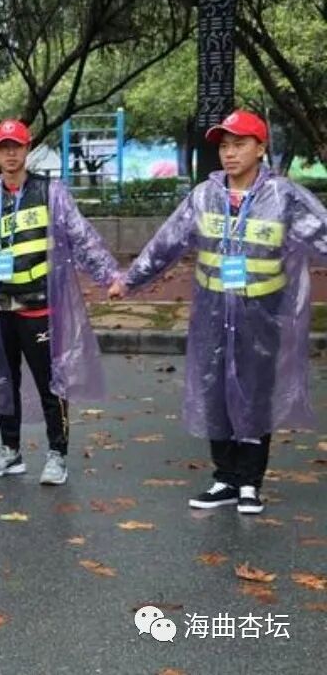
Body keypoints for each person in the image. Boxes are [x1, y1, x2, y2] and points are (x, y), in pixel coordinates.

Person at [111, 110, 327, 514]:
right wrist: (130, 280)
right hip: (211, 317)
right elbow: (167, 242)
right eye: (224, 146)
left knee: (254, 396)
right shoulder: (204, 196)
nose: (229, 153)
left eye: (239, 144)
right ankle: (225, 478)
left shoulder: (284, 197)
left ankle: (249, 482)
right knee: (215, 394)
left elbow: (322, 233)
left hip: (261, 318)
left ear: (260, 148)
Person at [0, 119, 120, 486]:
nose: (11, 154)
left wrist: (110, 276)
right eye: (3, 147)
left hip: (39, 306)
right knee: (4, 381)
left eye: (17, 146)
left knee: (51, 383)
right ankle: (10, 451)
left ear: (27, 149)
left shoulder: (50, 192)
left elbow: (81, 236)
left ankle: (57, 453)